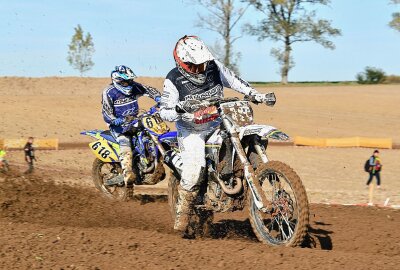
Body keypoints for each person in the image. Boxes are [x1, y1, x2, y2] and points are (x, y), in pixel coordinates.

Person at [159, 35, 276, 235]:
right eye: (195, 66)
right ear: (182, 63)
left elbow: (236, 82)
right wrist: (179, 109)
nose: (201, 69)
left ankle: (247, 176)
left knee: (250, 136)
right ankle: (182, 214)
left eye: (202, 64)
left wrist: (256, 94)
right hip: (192, 131)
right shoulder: (173, 79)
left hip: (218, 122)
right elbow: (164, 111)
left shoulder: (214, 66)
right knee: (196, 170)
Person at [102, 65, 161, 189]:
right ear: (118, 81)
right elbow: (106, 112)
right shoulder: (109, 92)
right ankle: (127, 172)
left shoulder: (134, 87)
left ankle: (149, 163)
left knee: (150, 134)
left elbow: (148, 89)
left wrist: (159, 98)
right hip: (119, 127)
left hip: (134, 121)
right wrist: (115, 120)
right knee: (125, 144)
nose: (129, 84)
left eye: (130, 80)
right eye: (126, 81)